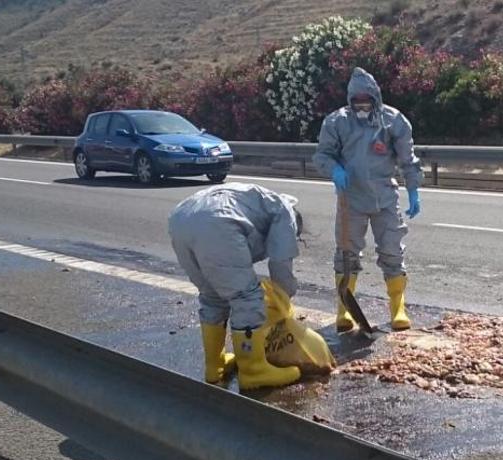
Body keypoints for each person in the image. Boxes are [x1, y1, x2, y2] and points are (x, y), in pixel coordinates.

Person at [168, 182, 333, 390]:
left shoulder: (259, 201)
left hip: (180, 218)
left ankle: (214, 366)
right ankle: (253, 371)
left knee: (213, 296)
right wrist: (282, 302)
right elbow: (281, 263)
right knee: (247, 297)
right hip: (218, 221)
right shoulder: (285, 212)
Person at [313, 67, 423, 332]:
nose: (362, 105)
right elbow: (322, 156)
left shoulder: (393, 121)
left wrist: (413, 190)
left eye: (366, 100)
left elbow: (408, 158)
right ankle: (344, 310)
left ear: (376, 97)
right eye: (357, 100)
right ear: (350, 100)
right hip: (351, 198)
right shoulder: (336, 122)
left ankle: (398, 307)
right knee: (347, 255)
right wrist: (334, 169)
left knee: (392, 252)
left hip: (385, 197)